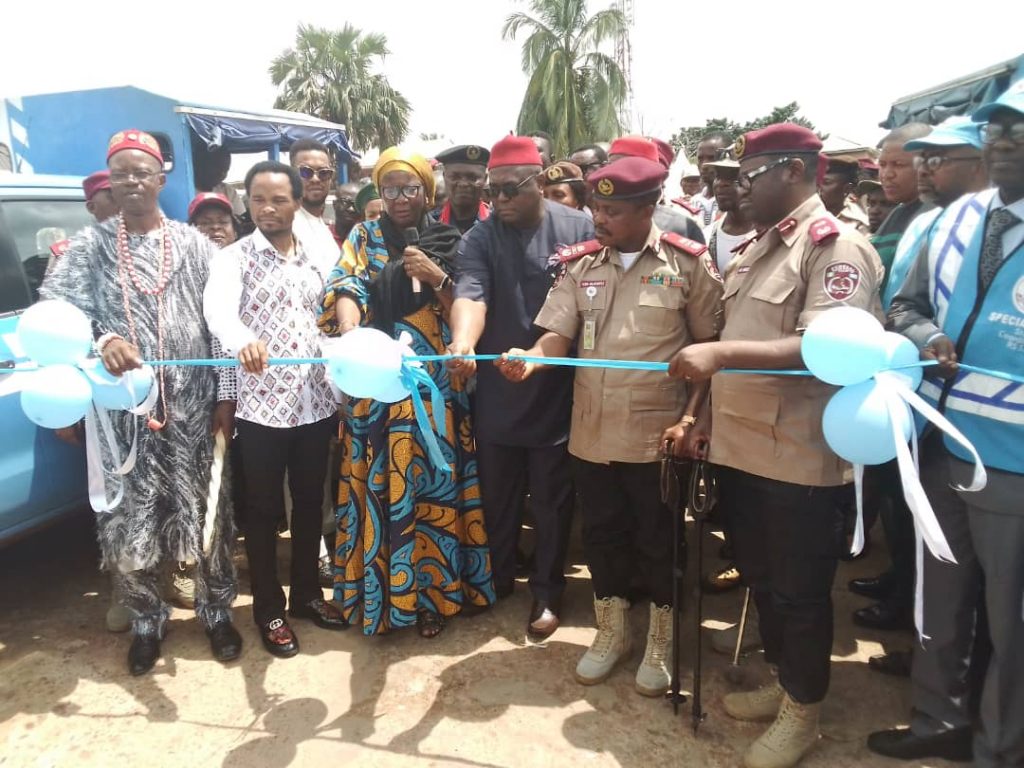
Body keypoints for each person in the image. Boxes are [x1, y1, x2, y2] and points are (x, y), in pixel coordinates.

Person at [670, 123, 883, 768]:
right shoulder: (762, 247)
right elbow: (733, 344)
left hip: (799, 457)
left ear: (792, 170)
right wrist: (703, 416)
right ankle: (785, 683)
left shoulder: (835, 247)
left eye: (750, 174)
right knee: (762, 581)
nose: (737, 186)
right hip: (741, 446)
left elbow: (830, 349)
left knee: (799, 591)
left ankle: (803, 711)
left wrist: (719, 353)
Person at [498, 156, 723, 695]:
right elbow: (557, 335)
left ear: (649, 209)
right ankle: (612, 634)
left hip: (657, 438)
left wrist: (693, 419)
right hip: (591, 435)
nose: (599, 218)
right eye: (596, 207)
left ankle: (661, 643)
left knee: (658, 543)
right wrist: (532, 358)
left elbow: (710, 354)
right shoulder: (580, 267)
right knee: (602, 538)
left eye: (614, 210)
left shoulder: (687, 266)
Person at [40, 129, 241, 676]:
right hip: (122, 416)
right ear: (111, 179)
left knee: (209, 514)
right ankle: (147, 622)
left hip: (194, 409)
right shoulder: (88, 248)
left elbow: (222, 325)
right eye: (120, 172)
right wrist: (102, 341)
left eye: (140, 171)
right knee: (128, 520)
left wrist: (226, 395)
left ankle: (217, 610)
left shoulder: (197, 245)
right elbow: (57, 319)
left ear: (160, 177)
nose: (131, 181)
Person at [867, 84, 1024, 767]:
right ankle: (938, 722)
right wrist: (928, 333)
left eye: (1018, 130)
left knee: (1010, 626)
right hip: (940, 442)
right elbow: (904, 306)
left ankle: (998, 747)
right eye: (996, 128)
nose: (1004, 140)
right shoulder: (958, 221)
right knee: (941, 605)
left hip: (1016, 462)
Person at [319, 147, 495, 637]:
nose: (400, 199)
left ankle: (432, 595)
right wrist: (355, 335)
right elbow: (345, 289)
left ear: (426, 191)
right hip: (374, 383)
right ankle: (372, 595)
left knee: (432, 485)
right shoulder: (363, 235)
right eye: (390, 189)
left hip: (433, 387)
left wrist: (434, 275)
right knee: (376, 483)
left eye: (410, 188)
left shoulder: (451, 237)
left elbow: (468, 301)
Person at [447, 135, 594, 639]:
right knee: (499, 496)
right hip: (499, 392)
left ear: (540, 179)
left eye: (512, 189)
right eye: (496, 190)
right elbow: (470, 294)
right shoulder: (480, 238)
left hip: (558, 388)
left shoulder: (581, 228)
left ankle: (548, 593)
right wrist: (463, 344)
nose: (502, 199)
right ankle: (498, 579)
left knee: (552, 501)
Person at [204, 160, 343, 658]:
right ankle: (269, 608)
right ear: (248, 203)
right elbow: (219, 314)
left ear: (296, 201)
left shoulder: (318, 256)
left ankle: (307, 595)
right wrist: (243, 340)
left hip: (315, 403)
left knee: (310, 505)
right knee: (262, 513)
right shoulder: (234, 259)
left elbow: (334, 313)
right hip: (260, 410)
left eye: (278, 199)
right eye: (258, 199)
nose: (267, 208)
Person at [607, 136, 706, 243]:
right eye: (610, 167)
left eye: (623, 167)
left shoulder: (684, 225)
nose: (613, 173)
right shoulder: (599, 221)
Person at [288, 138, 341, 275]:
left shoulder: (324, 229)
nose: (315, 179)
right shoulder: (284, 227)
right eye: (306, 172)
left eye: (323, 172)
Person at [432, 145, 491, 233]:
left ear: (485, 179)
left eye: (472, 178)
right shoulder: (431, 224)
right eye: (455, 177)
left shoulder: (498, 226)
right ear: (444, 177)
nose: (463, 184)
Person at [192, 139, 246, 217]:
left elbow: (241, 219)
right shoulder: (185, 190)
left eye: (226, 170)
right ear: (199, 165)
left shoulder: (228, 191)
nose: (222, 174)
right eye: (217, 168)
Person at [690, 131, 732, 226]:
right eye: (700, 158)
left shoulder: (737, 203)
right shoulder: (693, 202)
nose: (704, 165)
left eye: (712, 158)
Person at [818, 158, 870, 233]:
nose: (819, 188)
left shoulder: (858, 223)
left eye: (826, 183)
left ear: (847, 189)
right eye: (818, 183)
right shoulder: (807, 214)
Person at [332, 180, 364, 247]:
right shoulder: (322, 236)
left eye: (356, 204)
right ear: (334, 204)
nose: (351, 209)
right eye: (345, 203)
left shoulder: (368, 240)